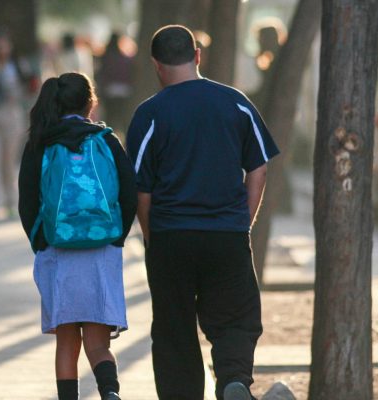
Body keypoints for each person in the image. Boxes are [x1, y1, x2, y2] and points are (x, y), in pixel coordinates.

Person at [126, 25, 280, 400]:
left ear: (156, 65)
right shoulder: (236, 103)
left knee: (173, 330)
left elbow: (140, 188)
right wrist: (242, 220)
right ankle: (233, 381)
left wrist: (151, 235)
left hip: (170, 238)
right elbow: (258, 167)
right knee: (235, 320)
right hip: (226, 234)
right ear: (197, 55)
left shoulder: (149, 115)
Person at [18, 72, 137, 400]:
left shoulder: (41, 142)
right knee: (98, 344)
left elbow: (27, 201)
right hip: (101, 249)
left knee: (67, 343)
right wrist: (116, 237)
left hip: (58, 250)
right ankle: (110, 392)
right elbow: (129, 193)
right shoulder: (106, 140)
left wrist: (40, 241)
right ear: (91, 102)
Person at [0, 32, 27, 218]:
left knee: (9, 161)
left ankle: (11, 201)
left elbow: (29, 87)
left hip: (13, 115)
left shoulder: (18, 66)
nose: (1, 50)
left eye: (4, 46)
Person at [98, 32, 134, 136]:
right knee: (122, 117)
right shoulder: (124, 58)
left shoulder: (105, 57)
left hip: (109, 91)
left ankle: (108, 137)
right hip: (124, 91)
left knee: (109, 117)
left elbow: (102, 74)